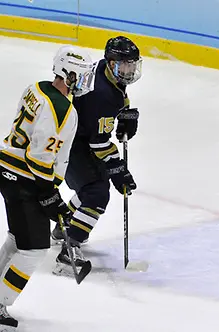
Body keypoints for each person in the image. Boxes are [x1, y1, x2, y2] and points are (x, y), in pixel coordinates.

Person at [0, 45, 94, 329]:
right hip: (24, 178)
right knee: (34, 249)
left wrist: (50, 192)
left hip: (9, 169)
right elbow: (39, 156)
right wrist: (49, 195)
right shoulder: (62, 108)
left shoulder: (38, 88)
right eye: (82, 75)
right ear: (69, 74)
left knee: (19, 239)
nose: (86, 82)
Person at [51, 36, 142, 276]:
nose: (129, 71)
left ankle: (64, 227)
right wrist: (118, 170)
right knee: (97, 193)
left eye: (132, 65)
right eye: (124, 66)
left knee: (94, 187)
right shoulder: (101, 94)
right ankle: (68, 250)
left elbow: (115, 100)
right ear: (111, 63)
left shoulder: (103, 70)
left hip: (75, 136)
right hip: (72, 144)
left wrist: (124, 113)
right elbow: (99, 143)